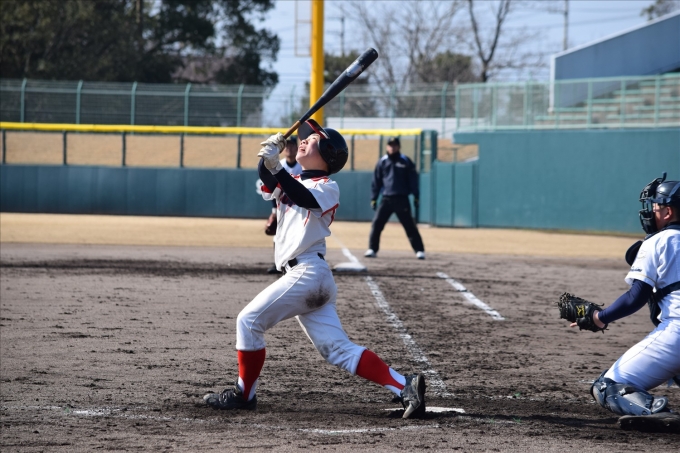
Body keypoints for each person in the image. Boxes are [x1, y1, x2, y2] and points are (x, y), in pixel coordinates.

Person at [204, 120, 427, 419]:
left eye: (312, 140)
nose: (304, 141)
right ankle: (404, 385)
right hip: (309, 278)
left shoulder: (326, 186)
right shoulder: (293, 178)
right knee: (336, 349)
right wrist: (268, 157)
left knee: (248, 321)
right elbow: (270, 180)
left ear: (327, 153)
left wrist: (277, 166)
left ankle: (244, 395)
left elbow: (302, 196)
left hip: (307, 273)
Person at [566, 173, 680, 433]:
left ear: (668, 211)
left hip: (677, 334)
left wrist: (599, 317)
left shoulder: (659, 241)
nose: (650, 211)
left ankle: (657, 412)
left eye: (655, 206)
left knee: (607, 386)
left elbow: (635, 297)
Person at [365, 136, 425, 260]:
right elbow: (376, 181)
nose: (392, 147)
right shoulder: (382, 161)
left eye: (395, 145)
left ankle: (419, 250)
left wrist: (416, 196)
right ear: (387, 147)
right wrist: (374, 198)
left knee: (410, 226)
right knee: (377, 224)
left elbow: (413, 180)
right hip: (386, 199)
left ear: (399, 147)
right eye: (390, 145)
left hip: (402, 199)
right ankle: (372, 249)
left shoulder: (405, 161)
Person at [265, 136, 302, 274]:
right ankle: (278, 264)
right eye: (287, 145)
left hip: (299, 208)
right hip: (282, 207)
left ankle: (296, 263)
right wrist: (274, 211)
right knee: (279, 235)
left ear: (297, 148)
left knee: (298, 235)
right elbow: (272, 189)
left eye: (292, 145)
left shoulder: (302, 166)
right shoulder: (279, 166)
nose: (289, 148)